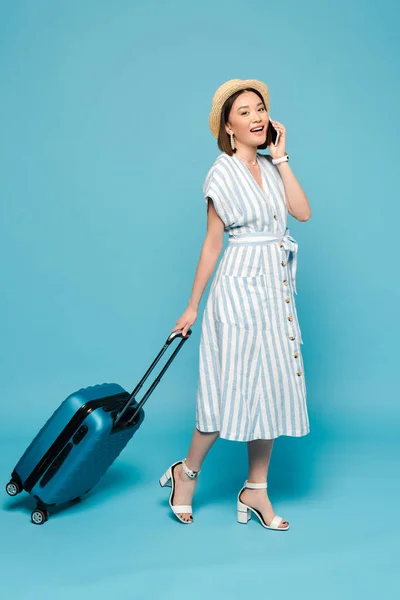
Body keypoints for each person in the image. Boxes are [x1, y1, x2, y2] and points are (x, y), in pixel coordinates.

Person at [159, 79, 312, 530]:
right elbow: (212, 243)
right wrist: (192, 307)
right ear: (228, 126)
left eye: (260, 108)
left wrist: (282, 159)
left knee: (272, 388)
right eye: (244, 111)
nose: (257, 117)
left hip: (275, 288)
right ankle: (185, 475)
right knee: (229, 387)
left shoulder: (272, 165)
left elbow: (301, 212)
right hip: (239, 288)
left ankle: (256, 490)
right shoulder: (220, 173)